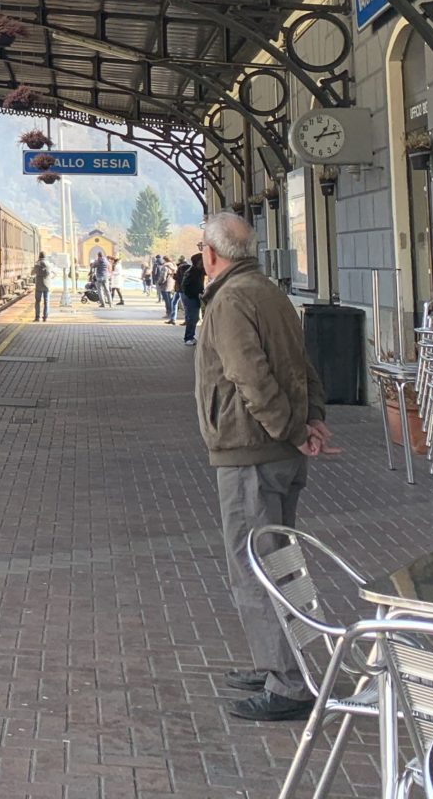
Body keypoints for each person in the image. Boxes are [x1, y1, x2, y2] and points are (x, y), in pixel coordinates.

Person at [192, 213, 330, 722]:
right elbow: (303, 363)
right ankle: (281, 663)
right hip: (278, 453)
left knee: (256, 567)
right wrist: (311, 420)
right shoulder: (270, 291)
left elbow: (249, 376)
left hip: (252, 453)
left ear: (210, 254)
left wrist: (291, 428)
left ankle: (288, 683)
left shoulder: (230, 299)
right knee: (282, 564)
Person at [178, 248, 204, 345]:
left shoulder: (198, 271)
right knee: (192, 317)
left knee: (194, 317)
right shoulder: (192, 272)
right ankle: (188, 337)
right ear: (198, 262)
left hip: (193, 296)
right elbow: (186, 286)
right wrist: (195, 294)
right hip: (190, 297)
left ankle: (190, 336)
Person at [30, 253, 49, 322]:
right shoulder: (48, 264)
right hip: (47, 286)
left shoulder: (38, 264)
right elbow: (52, 273)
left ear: (39, 257)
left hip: (39, 286)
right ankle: (45, 317)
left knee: (38, 301)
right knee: (46, 302)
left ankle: (37, 317)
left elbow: (32, 273)